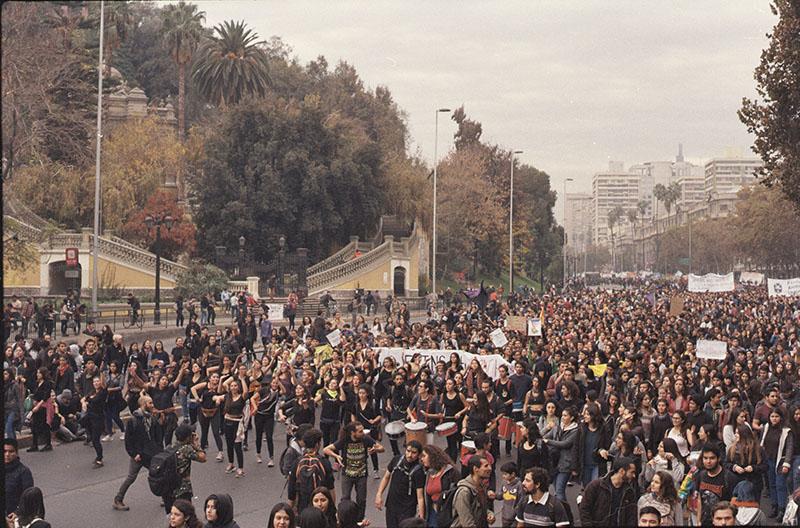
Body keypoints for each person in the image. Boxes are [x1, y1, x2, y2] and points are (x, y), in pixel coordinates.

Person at [323, 422, 384, 521]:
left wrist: (375, 449)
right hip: (347, 474)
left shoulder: (365, 439)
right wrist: (336, 456)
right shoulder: (344, 440)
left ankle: (359, 520)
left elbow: (382, 448)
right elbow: (326, 449)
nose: (363, 433)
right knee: (345, 498)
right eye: (360, 431)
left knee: (361, 500)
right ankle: (344, 520)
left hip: (361, 475)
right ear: (353, 433)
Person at [114, 394, 163, 511]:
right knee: (131, 477)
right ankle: (118, 499)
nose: (152, 405)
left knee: (158, 474)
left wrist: (159, 451)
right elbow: (128, 441)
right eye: (150, 403)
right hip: (139, 455)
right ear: (143, 404)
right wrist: (133, 454)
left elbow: (157, 437)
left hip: (151, 453)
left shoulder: (152, 418)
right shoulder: (134, 420)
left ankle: (164, 497)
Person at [374, 440, 425, 528]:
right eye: (408, 451)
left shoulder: (418, 472)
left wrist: (421, 518)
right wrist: (379, 494)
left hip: (407, 510)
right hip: (391, 506)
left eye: (414, 453)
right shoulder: (396, 460)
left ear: (419, 454)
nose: (409, 455)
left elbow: (420, 497)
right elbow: (386, 477)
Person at [579, 456, 638, 527]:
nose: (634, 475)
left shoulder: (629, 492)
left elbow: (631, 517)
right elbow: (584, 509)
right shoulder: (596, 486)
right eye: (631, 472)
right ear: (622, 471)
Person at [288, 428, 335, 513]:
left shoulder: (297, 462)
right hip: (321, 507)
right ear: (317, 444)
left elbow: (291, 488)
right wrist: (333, 509)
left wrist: (290, 508)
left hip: (303, 507)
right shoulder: (324, 462)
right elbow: (331, 487)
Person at [164, 424, 207, 514]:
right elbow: (203, 458)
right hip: (182, 489)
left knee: (173, 517)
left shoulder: (169, 447)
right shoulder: (186, 449)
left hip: (167, 488)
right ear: (188, 438)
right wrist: (196, 444)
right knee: (187, 515)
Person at [542, 406, 579, 501]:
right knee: (556, 488)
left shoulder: (575, 431)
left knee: (559, 490)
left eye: (565, 415)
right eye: (562, 415)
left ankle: (563, 513)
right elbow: (544, 436)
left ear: (572, 418)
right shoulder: (558, 427)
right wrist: (546, 428)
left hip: (566, 464)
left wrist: (548, 442)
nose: (562, 417)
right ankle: (564, 511)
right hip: (554, 462)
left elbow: (565, 444)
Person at [694, 444, 735, 526]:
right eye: (705, 458)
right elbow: (699, 500)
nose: (708, 461)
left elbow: (733, 503)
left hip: (722, 522)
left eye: (712, 458)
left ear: (718, 458)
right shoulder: (700, 475)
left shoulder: (729, 477)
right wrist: (698, 521)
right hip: (705, 522)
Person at [452, 454, 495, 528]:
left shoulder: (481, 487)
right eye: (486, 466)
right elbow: (467, 522)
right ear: (475, 469)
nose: (490, 468)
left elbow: (481, 508)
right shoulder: (464, 492)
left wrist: (489, 513)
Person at [420, 444, 457, 527]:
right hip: (432, 511)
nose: (422, 459)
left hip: (447, 511)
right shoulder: (427, 474)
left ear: (432, 456)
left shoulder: (450, 472)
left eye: (424, 456)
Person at [4, 439, 33, 517]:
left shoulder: (23, 472)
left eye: (11, 451)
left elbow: (28, 498)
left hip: (14, 516)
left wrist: (17, 512)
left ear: (16, 453)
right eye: (4, 451)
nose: (7, 454)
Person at [498, 462, 524, 528]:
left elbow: (521, 501)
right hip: (505, 515)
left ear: (513, 474)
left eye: (505, 474)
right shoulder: (504, 482)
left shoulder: (519, 485)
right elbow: (501, 495)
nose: (503, 476)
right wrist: (494, 496)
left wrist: (516, 513)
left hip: (515, 517)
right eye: (502, 474)